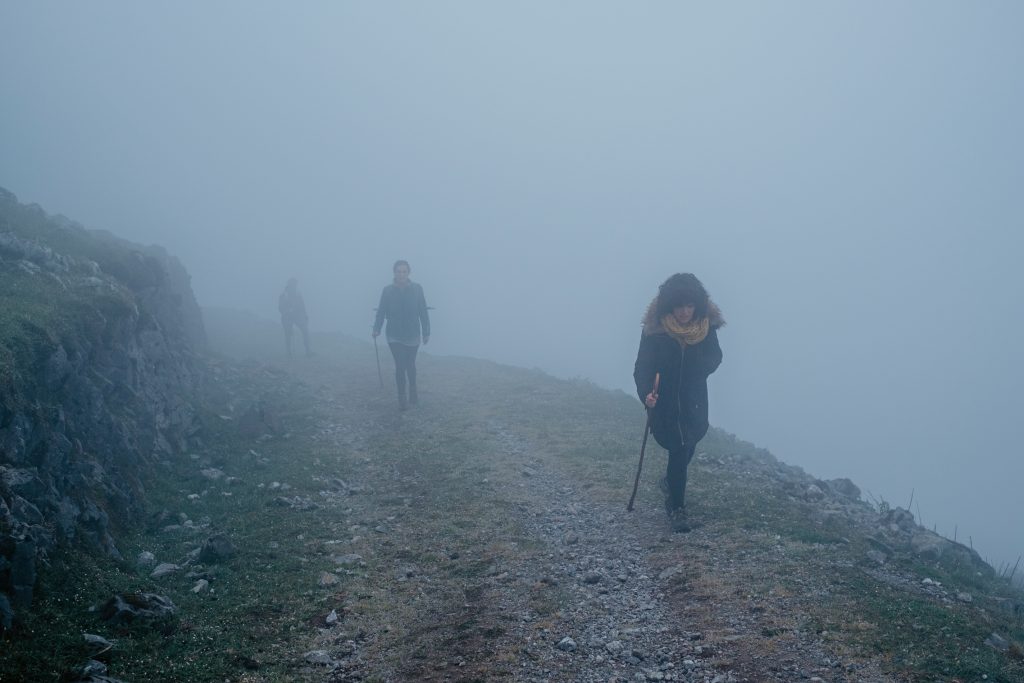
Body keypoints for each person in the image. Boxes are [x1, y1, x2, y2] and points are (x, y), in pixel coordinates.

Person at [633, 273, 724, 532]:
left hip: (694, 400)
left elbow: (715, 357)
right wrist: (646, 394)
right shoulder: (656, 331)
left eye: (690, 305)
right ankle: (676, 508)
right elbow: (642, 367)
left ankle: (670, 484)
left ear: (697, 305)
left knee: (690, 441)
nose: (685, 312)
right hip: (665, 402)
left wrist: (697, 368)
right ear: (669, 306)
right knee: (679, 447)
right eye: (679, 306)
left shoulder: (706, 328)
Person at [372, 260, 430, 410]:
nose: (401, 274)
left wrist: (426, 332)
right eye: (399, 271)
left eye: (404, 271)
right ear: (394, 273)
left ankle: (413, 390)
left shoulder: (417, 289)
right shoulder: (387, 291)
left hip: (413, 334)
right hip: (394, 334)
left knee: (411, 365)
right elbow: (381, 311)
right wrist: (376, 328)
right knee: (400, 365)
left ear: (408, 273)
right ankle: (401, 397)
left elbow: (423, 311)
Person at [278, 277, 311, 357]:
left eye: (295, 284)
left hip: (297, 316)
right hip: (287, 317)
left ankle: (308, 351)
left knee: (305, 331)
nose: (295, 286)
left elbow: (302, 305)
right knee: (288, 334)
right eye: (293, 284)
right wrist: (287, 311)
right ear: (289, 285)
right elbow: (280, 308)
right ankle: (289, 352)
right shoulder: (284, 295)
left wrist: (305, 315)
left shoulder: (298, 294)